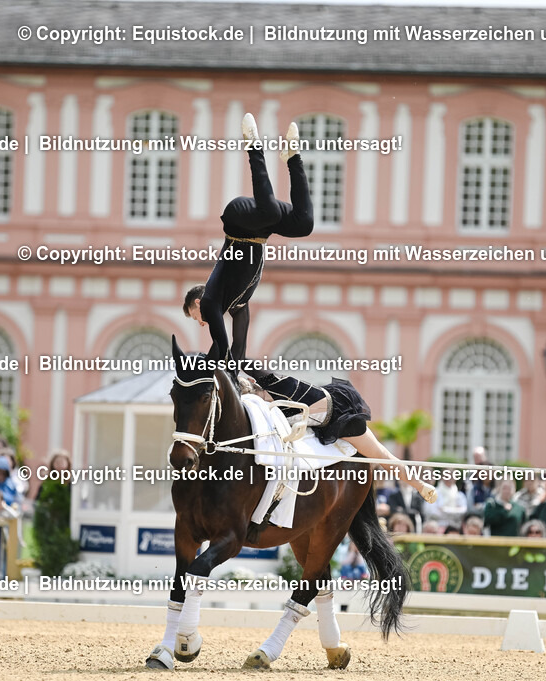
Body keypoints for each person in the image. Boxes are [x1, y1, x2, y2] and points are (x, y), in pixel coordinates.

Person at [183, 114, 313, 364]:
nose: (201, 323)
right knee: (304, 224)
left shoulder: (210, 301)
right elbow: (237, 349)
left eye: (195, 316)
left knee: (271, 212)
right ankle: (293, 157)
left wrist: (198, 370)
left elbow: (220, 349)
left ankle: (253, 144)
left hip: (237, 220)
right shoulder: (239, 303)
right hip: (259, 231)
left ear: (198, 303)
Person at [242, 369, 437, 504]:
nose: (256, 401)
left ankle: (420, 485)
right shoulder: (263, 413)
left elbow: (243, 360)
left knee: (382, 456)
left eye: (255, 395)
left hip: (342, 415)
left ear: (254, 384)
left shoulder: (275, 383)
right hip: (321, 422)